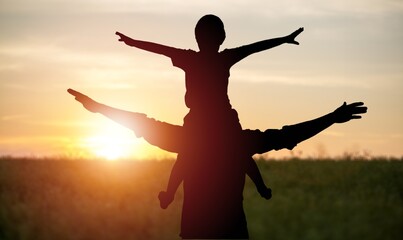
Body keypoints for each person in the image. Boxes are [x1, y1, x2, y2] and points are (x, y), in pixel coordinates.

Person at [68, 88, 367, 238]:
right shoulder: (237, 142)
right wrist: (332, 117)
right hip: (230, 228)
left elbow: (144, 126)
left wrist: (97, 108)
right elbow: (288, 135)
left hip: (199, 228)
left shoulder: (189, 141)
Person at [115, 14, 304, 208]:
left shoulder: (189, 58)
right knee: (239, 152)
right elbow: (255, 47)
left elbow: (160, 49)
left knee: (188, 155)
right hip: (220, 119)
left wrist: (134, 43)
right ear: (222, 37)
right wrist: (283, 40)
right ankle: (261, 187)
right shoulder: (224, 57)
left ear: (197, 37)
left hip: (204, 120)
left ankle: (170, 193)